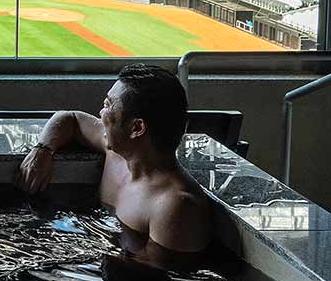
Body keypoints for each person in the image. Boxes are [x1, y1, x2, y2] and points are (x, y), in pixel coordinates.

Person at [17, 62, 212, 262]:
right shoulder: (119, 152)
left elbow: (155, 275)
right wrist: (43, 149)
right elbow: (70, 118)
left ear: (137, 128)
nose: (101, 113)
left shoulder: (175, 207)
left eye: (108, 105)